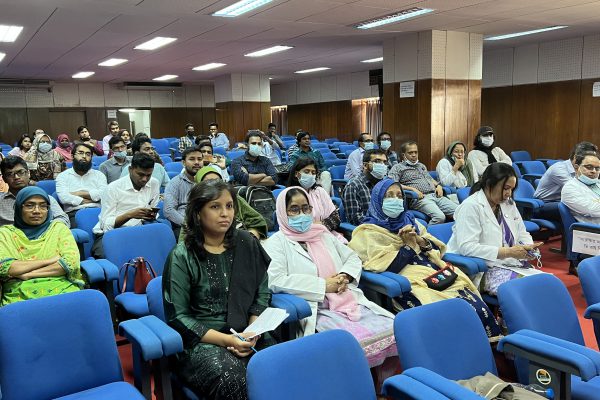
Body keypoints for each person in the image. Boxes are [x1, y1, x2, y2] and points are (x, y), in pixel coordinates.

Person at [348, 178, 501, 340]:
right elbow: (381, 267)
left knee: (473, 306)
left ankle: (485, 343)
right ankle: (455, 348)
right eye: (389, 196)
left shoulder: (410, 220)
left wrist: (420, 241)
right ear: (378, 200)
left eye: (399, 196)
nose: (396, 200)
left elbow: (437, 249)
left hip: (434, 271)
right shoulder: (367, 232)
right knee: (446, 314)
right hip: (407, 279)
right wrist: (409, 247)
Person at [162, 180, 274, 400]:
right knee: (237, 382)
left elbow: (261, 292)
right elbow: (179, 317)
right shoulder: (182, 256)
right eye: (215, 206)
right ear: (197, 213)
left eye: (229, 206)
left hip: (249, 332)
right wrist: (228, 340)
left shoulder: (247, 243)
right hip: (203, 342)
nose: (225, 213)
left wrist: (252, 331)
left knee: (281, 366)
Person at [263, 186, 397, 369]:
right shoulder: (276, 243)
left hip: (348, 300)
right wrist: (323, 285)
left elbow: (352, 257)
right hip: (316, 307)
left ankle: (385, 381)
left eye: (306, 208)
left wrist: (345, 275)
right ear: (282, 213)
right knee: (349, 347)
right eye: (294, 209)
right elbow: (275, 280)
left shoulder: (322, 234)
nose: (302, 214)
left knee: (397, 331)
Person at [447, 162, 543, 291]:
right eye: (506, 188)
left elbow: (522, 232)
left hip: (508, 263)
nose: (509, 193)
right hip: (483, 268)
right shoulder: (471, 206)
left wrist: (528, 248)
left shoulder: (508, 204)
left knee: (546, 283)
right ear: (489, 184)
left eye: (512, 189)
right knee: (528, 290)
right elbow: (467, 247)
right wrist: (507, 252)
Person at [0, 186, 83, 306]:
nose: (37, 211)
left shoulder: (58, 229)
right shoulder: (5, 233)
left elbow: (70, 263)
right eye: (30, 205)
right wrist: (49, 261)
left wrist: (27, 274)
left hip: (62, 288)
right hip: (19, 294)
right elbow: (6, 267)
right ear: (18, 208)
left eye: (43, 206)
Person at [92, 153, 160, 258]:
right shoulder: (113, 188)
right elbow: (106, 225)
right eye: (140, 174)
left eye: (148, 175)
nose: (144, 179)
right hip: (111, 234)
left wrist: (150, 215)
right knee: (110, 256)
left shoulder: (154, 183)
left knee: (157, 250)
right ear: (130, 170)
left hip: (139, 230)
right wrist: (129, 215)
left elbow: (153, 208)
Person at [388, 141, 457, 224]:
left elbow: (430, 180)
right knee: (439, 217)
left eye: (415, 152)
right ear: (404, 155)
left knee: (459, 211)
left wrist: (439, 186)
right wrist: (412, 189)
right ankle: (426, 232)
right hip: (419, 198)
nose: (414, 155)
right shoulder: (398, 167)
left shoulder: (421, 166)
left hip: (435, 195)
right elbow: (392, 184)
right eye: (410, 153)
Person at [195, 166, 268, 240]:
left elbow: (258, 221)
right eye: (209, 183)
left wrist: (249, 239)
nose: (224, 214)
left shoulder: (234, 198)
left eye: (218, 181)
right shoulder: (196, 205)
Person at [288, 157, 346, 243]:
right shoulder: (288, 195)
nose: (310, 175)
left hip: (325, 235)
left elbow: (335, 219)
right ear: (297, 174)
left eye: (313, 172)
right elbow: (295, 227)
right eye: (306, 172)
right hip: (300, 240)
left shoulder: (319, 191)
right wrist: (321, 225)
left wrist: (315, 226)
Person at [0, 156, 69, 227]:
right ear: (4, 179)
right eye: (10, 174)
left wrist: (45, 229)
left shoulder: (45, 198)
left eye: (20, 172)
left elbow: (64, 219)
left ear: (28, 173)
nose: (16, 177)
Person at [56, 143, 107, 225]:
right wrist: (89, 200)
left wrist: (79, 193)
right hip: (74, 214)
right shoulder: (62, 176)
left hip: (99, 212)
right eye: (80, 153)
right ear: (72, 156)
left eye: (88, 154)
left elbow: (104, 194)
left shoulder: (99, 175)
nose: (84, 156)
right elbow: (64, 198)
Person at [163, 146, 204, 234]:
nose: (197, 162)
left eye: (199, 159)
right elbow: (168, 210)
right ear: (183, 163)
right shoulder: (175, 183)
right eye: (192, 159)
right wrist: (189, 225)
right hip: (184, 226)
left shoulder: (207, 181)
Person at [342, 149, 388, 226]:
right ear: (365, 165)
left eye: (384, 162)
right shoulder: (354, 186)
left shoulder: (386, 184)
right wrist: (383, 224)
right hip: (370, 229)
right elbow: (356, 219)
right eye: (377, 161)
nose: (382, 165)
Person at [561, 151, 600, 225]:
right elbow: (592, 210)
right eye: (589, 167)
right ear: (576, 168)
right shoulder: (570, 188)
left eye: (597, 168)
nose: (594, 171)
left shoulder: (597, 183)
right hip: (593, 229)